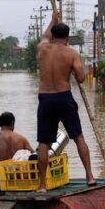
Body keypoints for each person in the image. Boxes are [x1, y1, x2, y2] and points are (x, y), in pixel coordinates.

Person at [36, 11, 95, 189]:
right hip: (63, 97)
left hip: (45, 98)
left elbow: (45, 36)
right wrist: (74, 69)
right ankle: (90, 176)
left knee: (44, 142)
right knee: (78, 137)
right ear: (67, 37)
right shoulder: (71, 53)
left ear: (53, 35)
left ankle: (42, 185)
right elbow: (81, 78)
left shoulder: (42, 49)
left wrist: (53, 21)